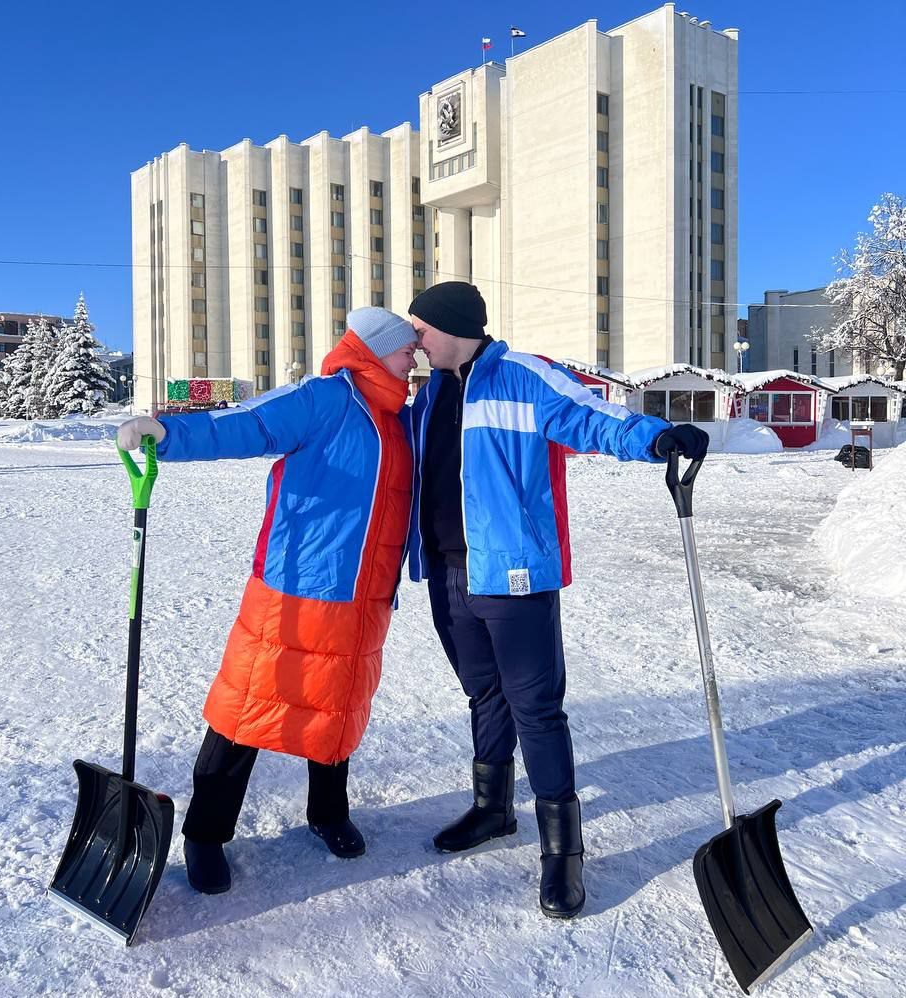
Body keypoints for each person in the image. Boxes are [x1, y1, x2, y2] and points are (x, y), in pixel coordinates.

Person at [406, 281, 709, 919]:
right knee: (482, 693)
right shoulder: (428, 393)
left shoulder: (522, 375)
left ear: (454, 326)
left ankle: (562, 853)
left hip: (514, 573)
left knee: (536, 709)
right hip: (449, 572)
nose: (416, 339)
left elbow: (589, 415)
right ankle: (493, 809)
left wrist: (657, 437)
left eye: (422, 328)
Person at [116, 307, 418, 894]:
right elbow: (250, 424)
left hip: (365, 594)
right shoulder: (329, 396)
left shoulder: (398, 415)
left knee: (337, 704)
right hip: (297, 583)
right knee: (248, 705)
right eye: (407, 349)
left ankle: (327, 813)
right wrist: (168, 433)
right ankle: (205, 834)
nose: (414, 358)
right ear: (378, 349)